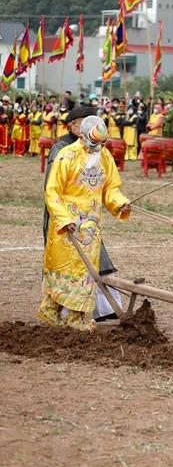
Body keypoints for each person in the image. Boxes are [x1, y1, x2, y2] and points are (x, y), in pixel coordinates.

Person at [40, 115, 131, 332]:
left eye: (101, 143)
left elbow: (111, 188)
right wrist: (64, 218)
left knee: (84, 273)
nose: (97, 148)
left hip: (90, 227)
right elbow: (53, 191)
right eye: (93, 143)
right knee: (65, 269)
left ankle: (74, 315)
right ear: (81, 137)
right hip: (67, 226)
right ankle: (58, 312)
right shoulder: (66, 155)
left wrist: (120, 203)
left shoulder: (105, 156)